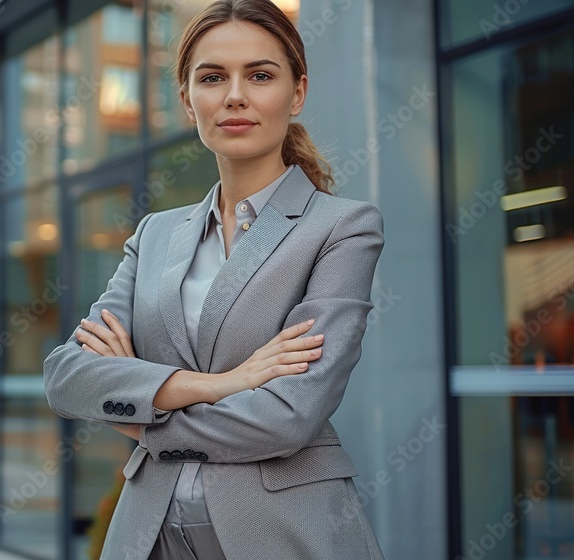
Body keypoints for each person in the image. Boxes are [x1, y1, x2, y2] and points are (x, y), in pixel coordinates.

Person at [42, 1, 385, 558]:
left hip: (283, 534)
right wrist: (222, 384)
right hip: (149, 535)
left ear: (297, 93)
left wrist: (138, 407)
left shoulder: (342, 227)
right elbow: (67, 377)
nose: (234, 95)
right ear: (187, 100)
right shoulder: (154, 235)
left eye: (260, 75)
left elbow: (287, 418)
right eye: (212, 77)